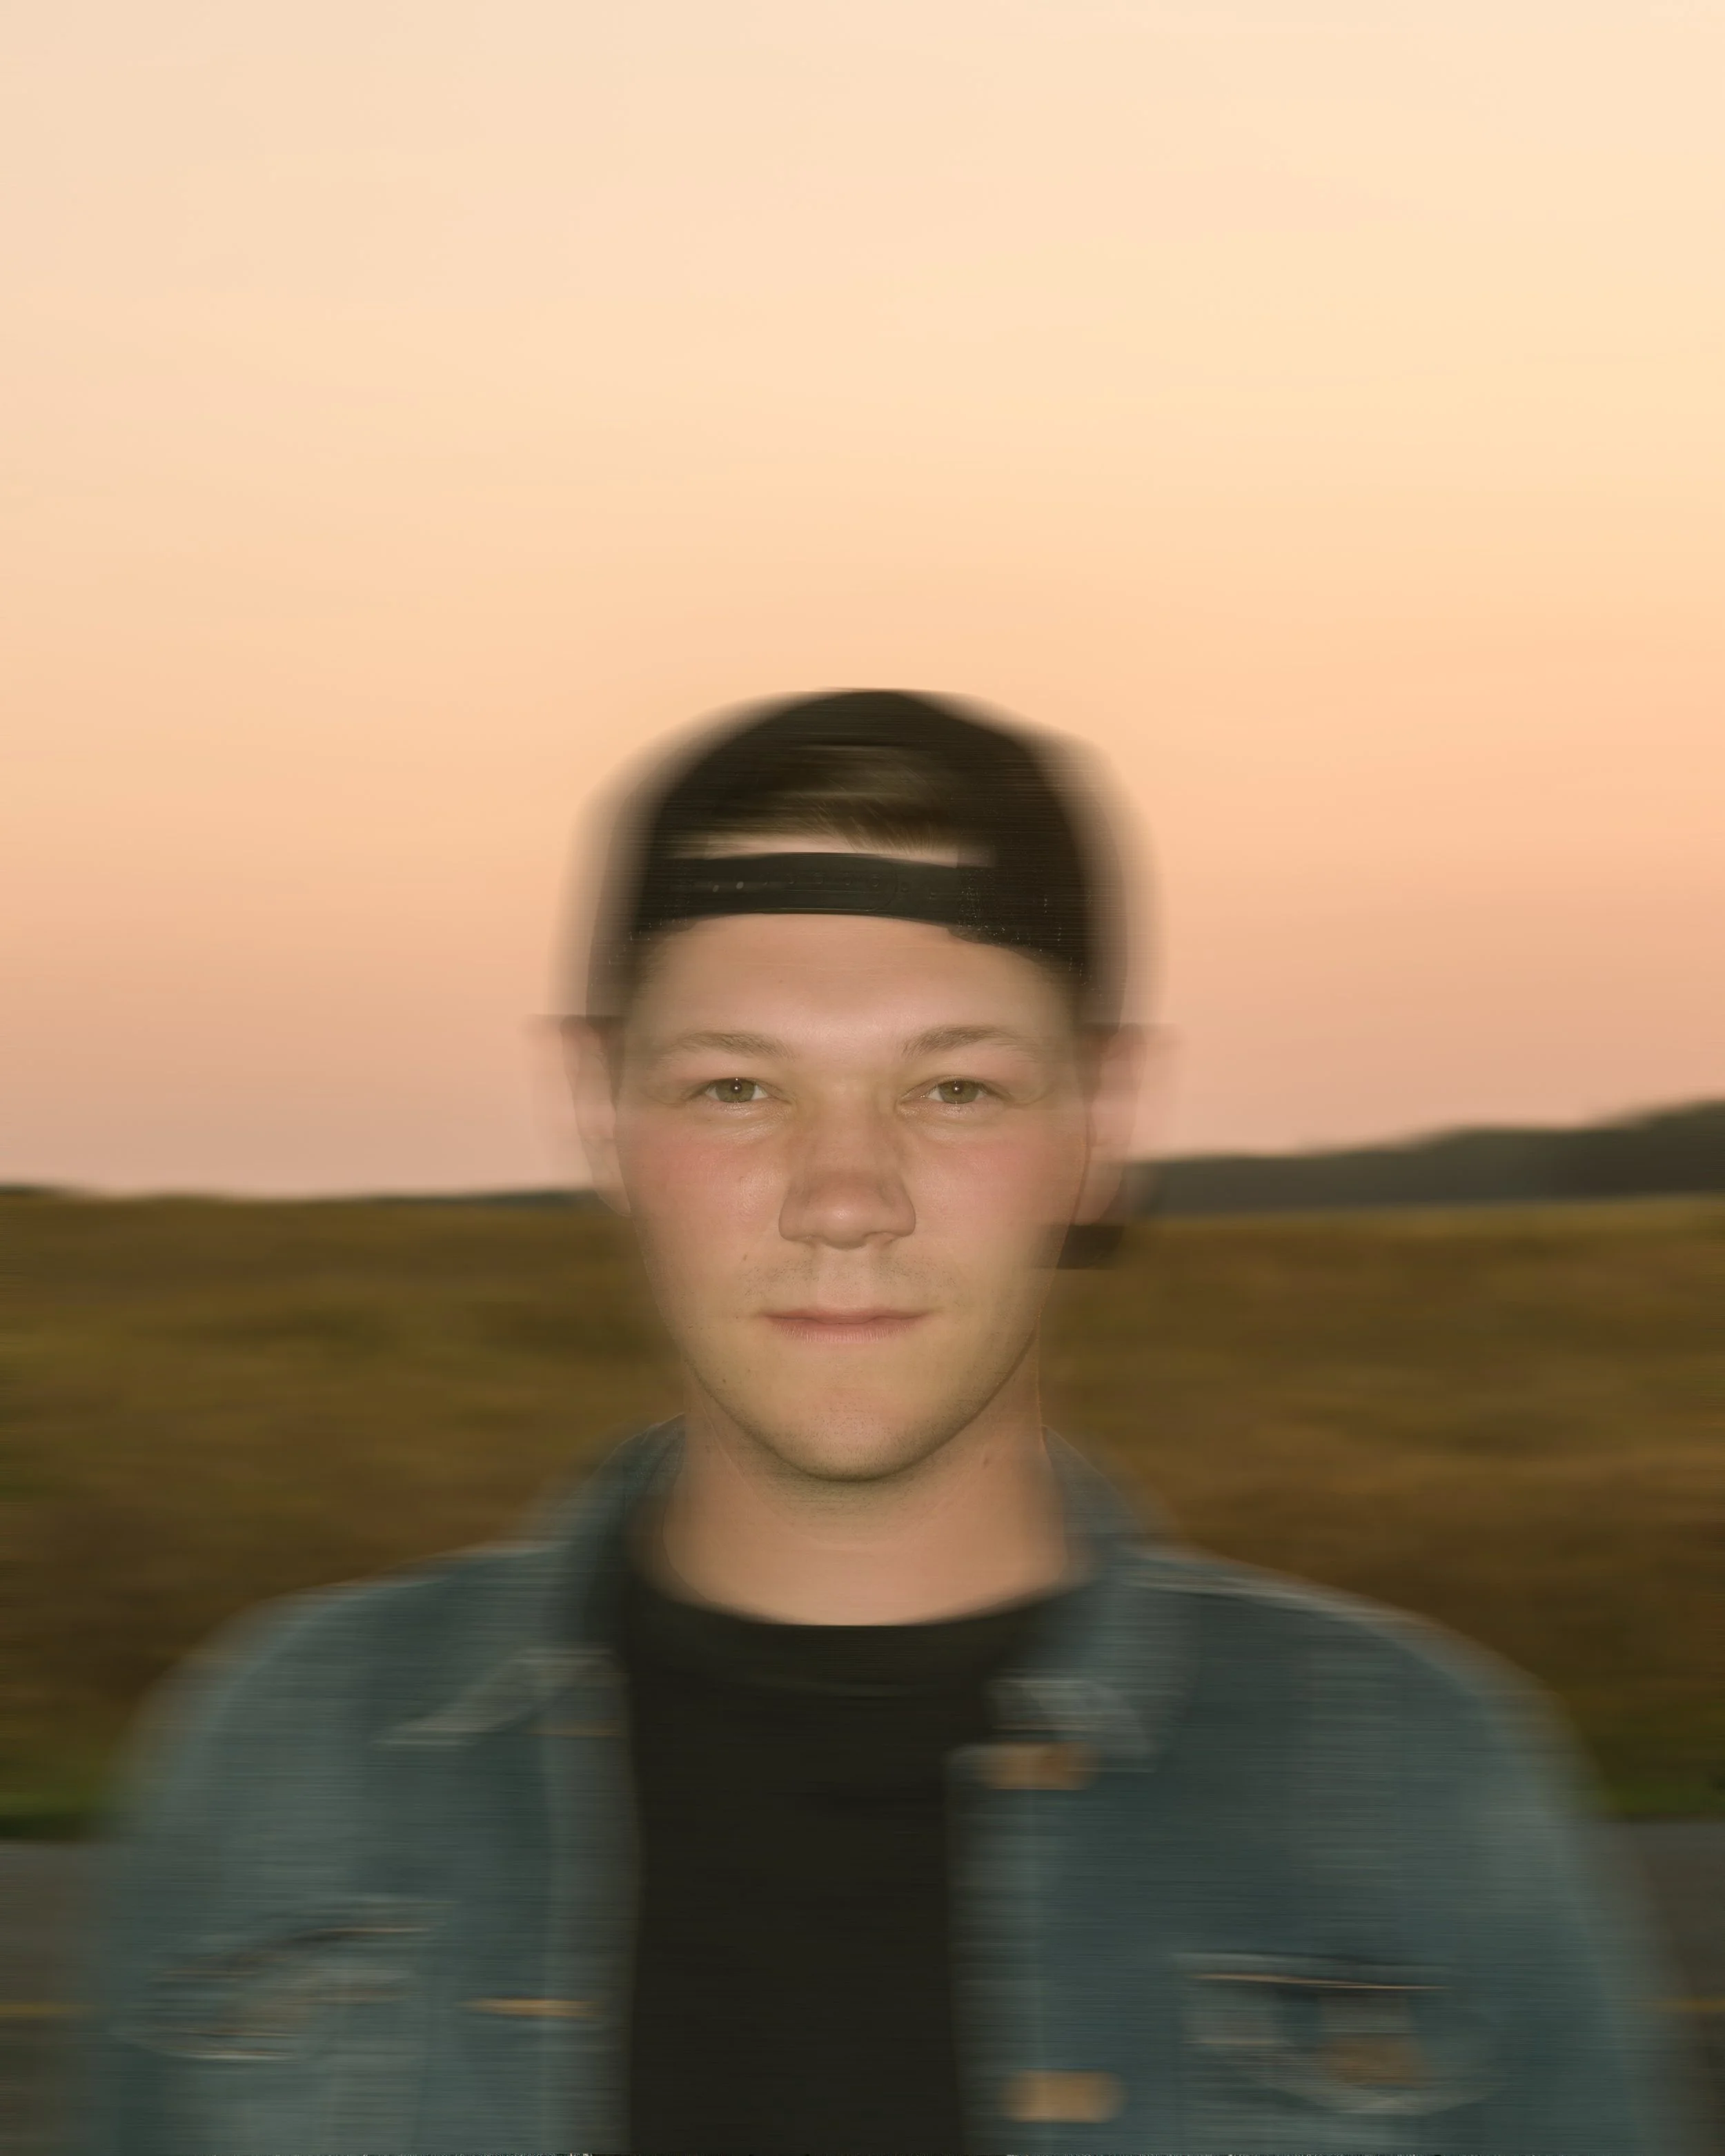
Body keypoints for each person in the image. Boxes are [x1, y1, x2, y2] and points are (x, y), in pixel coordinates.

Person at [77, 688, 1700, 2155]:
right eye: (736, 1086)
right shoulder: (286, 1756)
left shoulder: (1405, 1775)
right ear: (599, 1115)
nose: (841, 1196)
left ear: (1102, 1126)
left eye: (953, 1088)